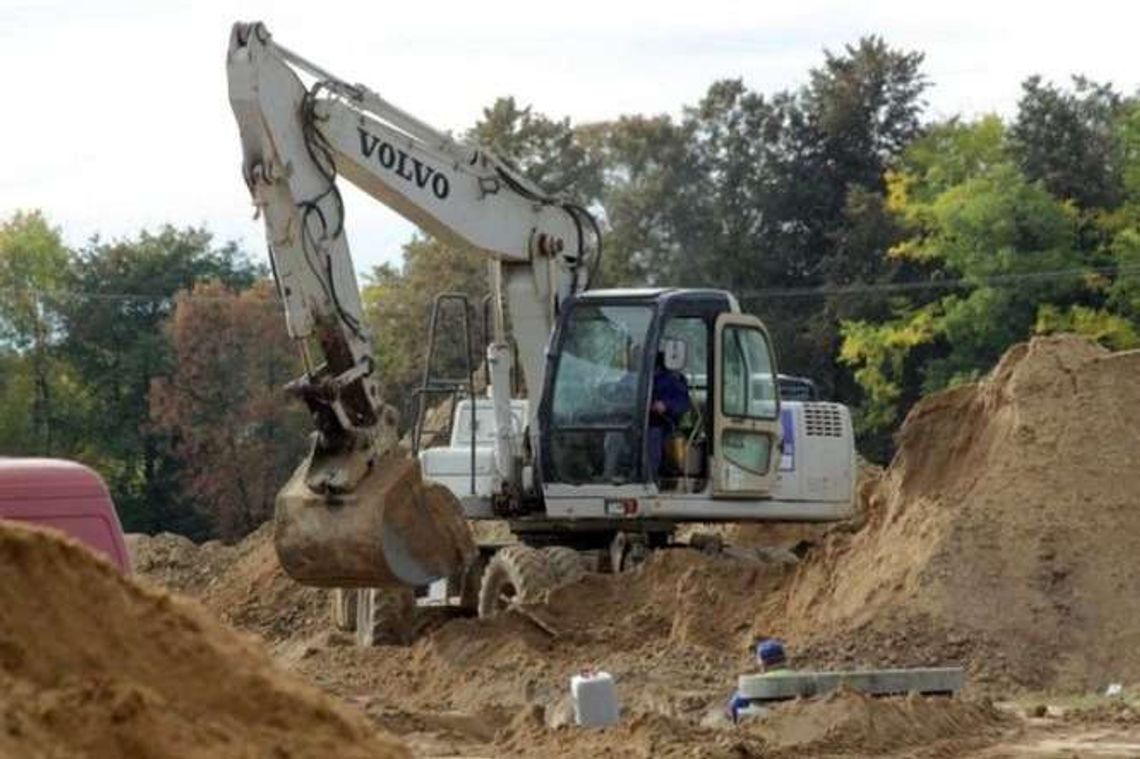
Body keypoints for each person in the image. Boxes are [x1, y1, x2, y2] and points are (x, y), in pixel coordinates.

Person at [647, 341, 691, 478]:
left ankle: (650, 478)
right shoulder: (634, 377)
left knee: (653, 438)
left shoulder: (673, 379)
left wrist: (665, 405)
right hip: (633, 422)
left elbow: (683, 403)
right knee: (614, 437)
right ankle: (608, 475)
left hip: (661, 424)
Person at [725, 638, 791, 724]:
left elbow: (734, 706)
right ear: (784, 658)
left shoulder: (755, 683)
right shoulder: (802, 678)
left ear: (763, 663)